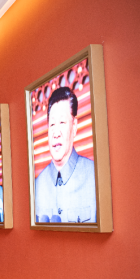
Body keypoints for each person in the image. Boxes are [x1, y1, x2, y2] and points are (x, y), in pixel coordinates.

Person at [35, 87, 96, 223]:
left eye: (62, 122)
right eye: (52, 124)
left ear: (74, 126)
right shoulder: (37, 185)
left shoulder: (95, 176)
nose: (56, 133)